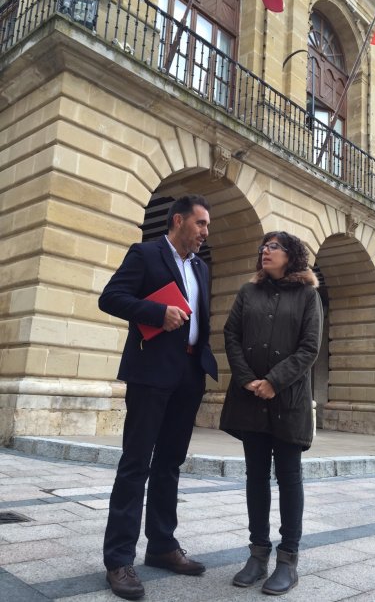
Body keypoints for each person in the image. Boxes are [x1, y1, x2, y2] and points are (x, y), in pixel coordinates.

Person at [99, 194, 218, 600]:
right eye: (201, 224)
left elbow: (202, 320)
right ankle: (118, 559)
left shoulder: (201, 267)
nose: (205, 232)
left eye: (208, 226)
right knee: (136, 464)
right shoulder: (147, 254)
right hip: (150, 374)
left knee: (170, 463)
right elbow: (111, 297)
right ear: (179, 220)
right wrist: (155, 313)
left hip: (188, 374)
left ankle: (163, 546)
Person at [220, 231, 323, 596]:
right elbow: (230, 334)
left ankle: (288, 560)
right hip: (251, 400)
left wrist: (274, 382)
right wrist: (248, 380)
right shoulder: (248, 292)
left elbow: (310, 347)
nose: (265, 250)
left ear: (291, 255)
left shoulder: (308, 296)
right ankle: (257, 555)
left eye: (274, 246)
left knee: (289, 478)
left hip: (288, 401)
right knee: (256, 477)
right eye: (262, 245)